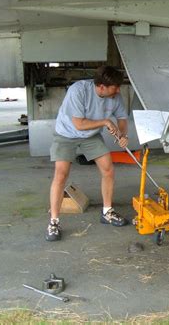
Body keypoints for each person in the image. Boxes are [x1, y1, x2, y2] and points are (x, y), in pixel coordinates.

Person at [46, 66, 129, 241]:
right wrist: (106, 122)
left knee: (108, 169)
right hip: (66, 134)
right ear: (101, 87)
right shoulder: (78, 91)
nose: (118, 90)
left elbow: (122, 118)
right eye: (115, 86)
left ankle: (107, 212)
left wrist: (122, 135)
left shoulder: (114, 96)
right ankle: (54, 222)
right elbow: (79, 124)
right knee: (61, 174)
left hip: (90, 136)